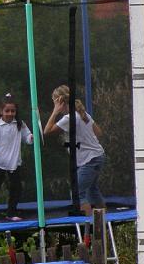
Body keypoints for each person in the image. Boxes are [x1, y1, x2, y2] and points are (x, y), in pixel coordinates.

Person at [44, 85, 105, 216]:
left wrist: (55, 111)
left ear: (60, 101)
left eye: (54, 101)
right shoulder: (83, 114)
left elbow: (47, 131)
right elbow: (99, 132)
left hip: (90, 159)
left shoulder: (69, 117)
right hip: (98, 155)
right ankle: (104, 220)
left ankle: (89, 224)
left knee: (77, 192)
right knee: (92, 190)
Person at [0, 93, 33, 223]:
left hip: (14, 163)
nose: (9, 113)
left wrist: (32, 137)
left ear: (16, 111)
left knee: (16, 189)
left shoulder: (20, 124)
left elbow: (28, 138)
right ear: (1, 111)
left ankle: (11, 212)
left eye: (12, 111)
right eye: (7, 111)